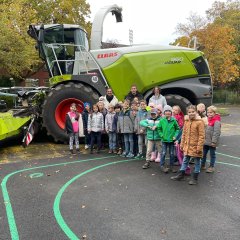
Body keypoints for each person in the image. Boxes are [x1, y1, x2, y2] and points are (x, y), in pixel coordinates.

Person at [171, 105, 205, 185]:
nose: (191, 113)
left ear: (196, 112)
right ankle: (181, 174)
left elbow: (201, 136)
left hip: (196, 146)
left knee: (197, 161)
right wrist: (182, 144)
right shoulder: (186, 121)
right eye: (189, 112)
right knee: (185, 160)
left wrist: (199, 147)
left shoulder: (200, 122)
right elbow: (184, 134)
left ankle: (195, 178)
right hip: (187, 145)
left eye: (193, 112)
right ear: (187, 113)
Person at [158, 105, 180, 173]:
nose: (167, 112)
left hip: (171, 140)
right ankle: (162, 166)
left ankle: (171, 166)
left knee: (171, 154)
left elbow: (177, 129)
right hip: (164, 140)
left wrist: (175, 136)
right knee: (163, 153)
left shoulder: (174, 120)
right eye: (166, 111)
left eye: (169, 111)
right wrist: (161, 135)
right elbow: (159, 129)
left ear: (171, 112)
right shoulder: (162, 120)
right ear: (164, 113)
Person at [201, 105, 221, 173]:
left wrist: (214, 142)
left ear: (214, 113)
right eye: (208, 112)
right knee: (203, 154)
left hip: (212, 142)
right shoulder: (207, 120)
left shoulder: (216, 121)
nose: (209, 114)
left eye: (211, 112)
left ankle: (211, 167)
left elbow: (216, 132)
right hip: (205, 141)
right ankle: (202, 165)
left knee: (212, 155)